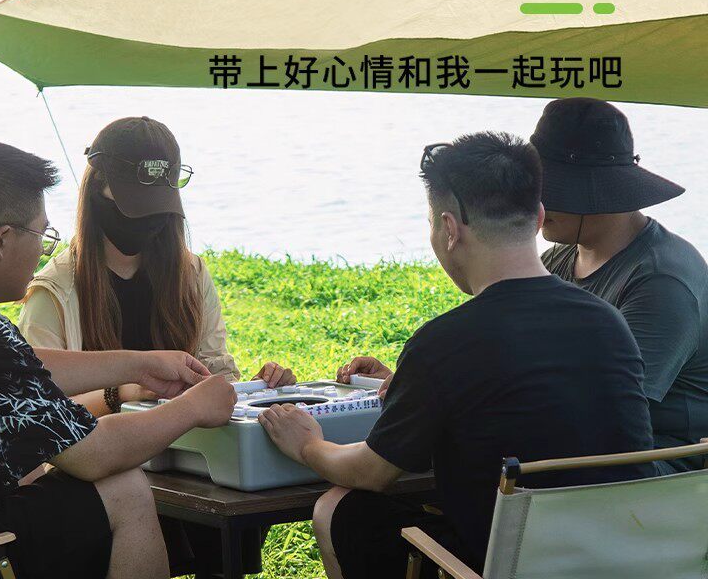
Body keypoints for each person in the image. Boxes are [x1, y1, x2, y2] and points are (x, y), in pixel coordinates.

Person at [259, 132, 655, 579]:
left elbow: (371, 473)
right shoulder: (609, 323)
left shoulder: (444, 342)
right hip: (621, 559)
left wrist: (308, 444)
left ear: (449, 229)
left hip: (508, 566)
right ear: (539, 217)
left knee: (338, 508)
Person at [0, 140, 236, 579]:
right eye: (42, 235)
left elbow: (17, 365)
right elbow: (92, 454)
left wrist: (138, 364)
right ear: (2, 240)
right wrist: (193, 407)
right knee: (123, 488)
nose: (44, 251)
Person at [18, 116, 294, 576]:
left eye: (158, 209)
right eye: (135, 208)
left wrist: (257, 389)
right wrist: (125, 393)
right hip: (105, 463)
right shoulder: (54, 292)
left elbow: (215, 372)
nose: (147, 222)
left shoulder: (190, 274)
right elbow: (43, 418)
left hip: (192, 456)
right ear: (98, 188)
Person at [531, 98, 708, 471]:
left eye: (549, 188)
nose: (535, 203)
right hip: (580, 438)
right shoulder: (559, 258)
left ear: (598, 189)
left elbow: (609, 413)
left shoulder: (660, 280)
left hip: (655, 463)